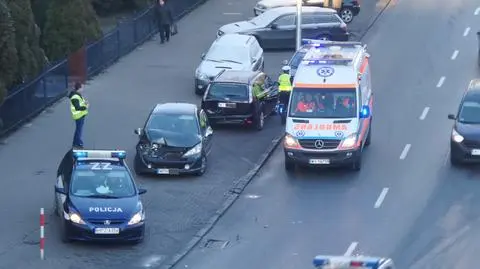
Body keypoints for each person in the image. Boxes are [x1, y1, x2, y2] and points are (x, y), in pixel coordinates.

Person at [69, 82, 88, 148]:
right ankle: (78, 143)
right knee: (79, 130)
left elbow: (80, 103)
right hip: (78, 116)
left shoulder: (78, 95)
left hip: (81, 115)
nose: (83, 89)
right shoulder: (75, 97)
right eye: (82, 87)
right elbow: (77, 107)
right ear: (79, 88)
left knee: (78, 130)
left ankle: (75, 143)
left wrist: (85, 103)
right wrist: (85, 107)